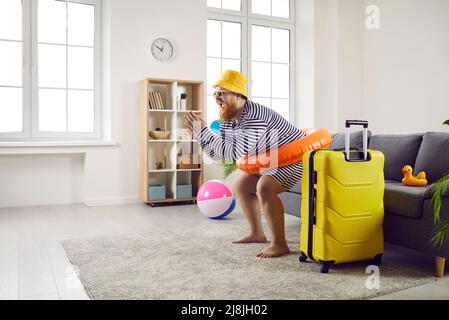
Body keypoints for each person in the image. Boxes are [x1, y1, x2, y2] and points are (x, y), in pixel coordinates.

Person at [184, 70, 305, 258]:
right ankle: (257, 233)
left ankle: (280, 244)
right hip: (272, 161)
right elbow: (218, 154)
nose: (217, 98)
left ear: (238, 95)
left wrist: (203, 132)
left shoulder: (255, 116)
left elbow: (235, 152)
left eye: (221, 93)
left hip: (295, 160)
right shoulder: (228, 118)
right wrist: (199, 134)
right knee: (241, 184)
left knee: (264, 187)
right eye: (215, 93)